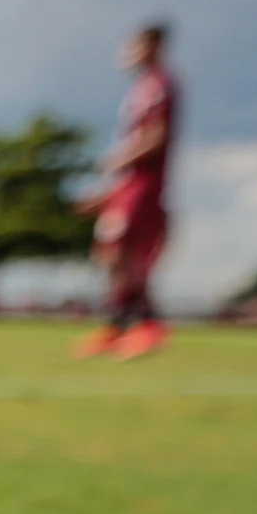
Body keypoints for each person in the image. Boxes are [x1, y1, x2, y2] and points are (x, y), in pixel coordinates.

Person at [75, 22, 178, 360]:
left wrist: (119, 159)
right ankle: (116, 327)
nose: (126, 54)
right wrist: (109, 190)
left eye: (133, 47)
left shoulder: (160, 85)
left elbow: (156, 137)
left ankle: (149, 325)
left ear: (151, 47)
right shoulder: (140, 90)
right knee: (109, 253)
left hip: (145, 184)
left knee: (124, 254)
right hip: (128, 184)